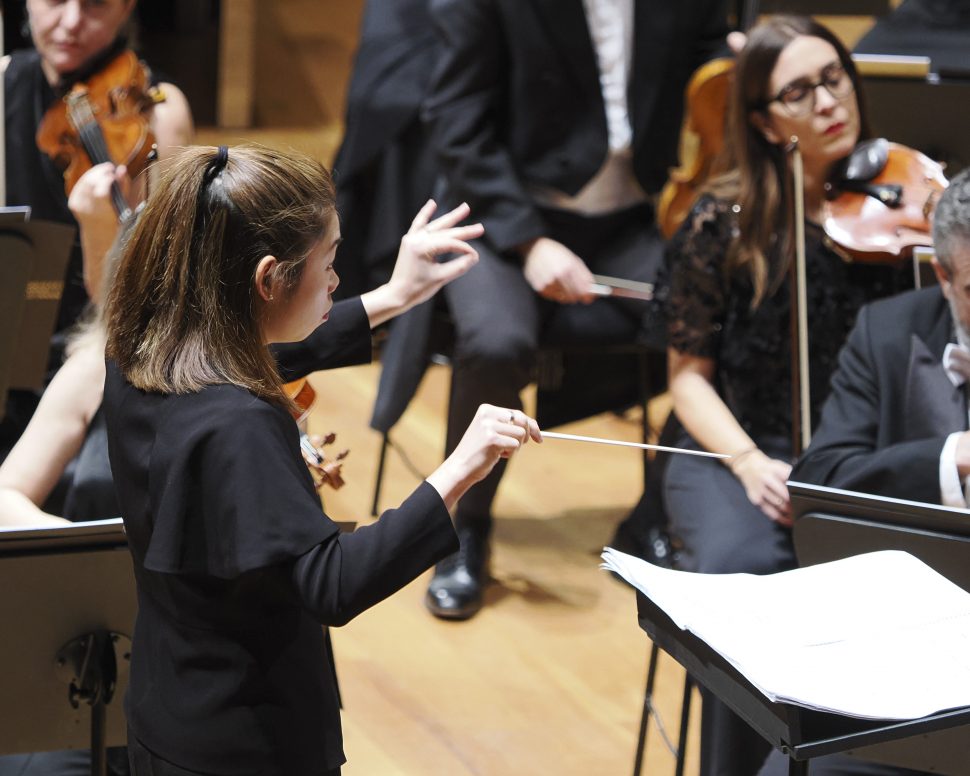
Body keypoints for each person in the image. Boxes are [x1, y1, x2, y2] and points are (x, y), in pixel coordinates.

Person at [100, 144, 541, 776]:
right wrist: (459, 469)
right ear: (268, 278)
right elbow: (331, 584)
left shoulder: (141, 347)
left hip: (166, 709)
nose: (337, 279)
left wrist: (394, 295)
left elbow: (254, 353)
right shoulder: (240, 425)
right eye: (330, 263)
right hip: (250, 744)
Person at [420, 0, 731, 621]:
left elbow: (710, 59)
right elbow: (455, 121)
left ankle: (648, 521)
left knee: (722, 326)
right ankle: (459, 531)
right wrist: (530, 240)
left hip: (634, 218)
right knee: (496, 343)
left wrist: (738, 66)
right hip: (505, 216)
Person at [658, 16, 908, 776]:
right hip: (736, 450)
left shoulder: (905, 205)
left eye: (835, 77)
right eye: (800, 92)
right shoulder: (722, 221)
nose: (829, 100)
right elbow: (687, 380)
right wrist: (747, 464)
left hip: (858, 461)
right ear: (766, 121)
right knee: (741, 583)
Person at [1, 0, 193, 457]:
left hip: (100, 353)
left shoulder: (156, 112)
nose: (69, 22)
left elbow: (151, 301)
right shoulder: (5, 80)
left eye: (94, 5)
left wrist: (99, 228)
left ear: (126, 6)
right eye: (54, 1)